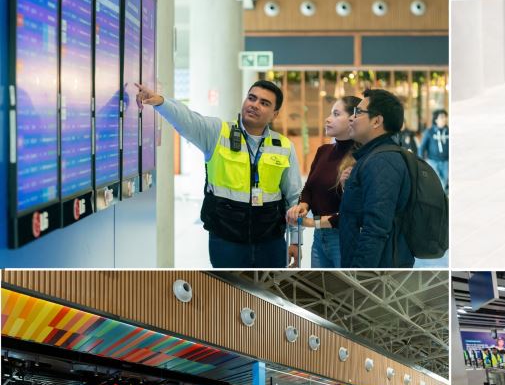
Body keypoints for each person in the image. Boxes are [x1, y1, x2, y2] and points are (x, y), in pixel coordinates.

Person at [140, 79, 300, 267]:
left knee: (269, 284)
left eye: (264, 103)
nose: (255, 105)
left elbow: (294, 198)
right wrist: (160, 102)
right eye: (252, 98)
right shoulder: (218, 132)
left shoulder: (284, 146)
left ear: (275, 114)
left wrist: (295, 240)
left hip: (271, 241)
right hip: (226, 239)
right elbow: (188, 119)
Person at [336, 88, 416, 268]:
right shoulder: (373, 156)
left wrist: (358, 274)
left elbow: (375, 229)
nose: (351, 117)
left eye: (358, 112)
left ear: (377, 121)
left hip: (377, 268)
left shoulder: (382, 161)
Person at [288, 96, 360, 268]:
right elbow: (309, 188)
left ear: (352, 120)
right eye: (330, 113)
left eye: (336, 114)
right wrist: (303, 205)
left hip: (344, 238)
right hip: (320, 239)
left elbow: (354, 213)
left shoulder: (360, 158)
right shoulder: (323, 151)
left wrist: (312, 223)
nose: (328, 119)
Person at [420, 109, 450, 189]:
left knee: (445, 182)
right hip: (432, 161)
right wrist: (421, 162)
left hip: (446, 162)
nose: (444, 119)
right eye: (441, 117)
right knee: (439, 183)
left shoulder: (449, 131)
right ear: (436, 119)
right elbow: (422, 147)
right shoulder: (429, 132)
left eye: (445, 117)